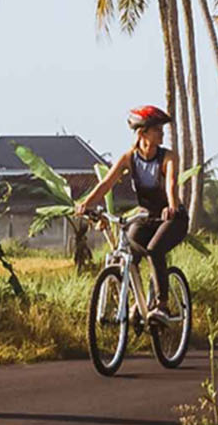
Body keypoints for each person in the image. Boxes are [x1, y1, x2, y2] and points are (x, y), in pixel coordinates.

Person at [75, 105, 189, 323]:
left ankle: (162, 305)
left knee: (155, 250)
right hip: (146, 217)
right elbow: (106, 183)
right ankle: (140, 302)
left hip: (173, 218)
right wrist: (85, 204)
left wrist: (172, 206)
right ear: (143, 133)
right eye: (157, 129)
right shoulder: (129, 158)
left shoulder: (168, 157)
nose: (162, 133)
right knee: (128, 252)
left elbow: (171, 185)